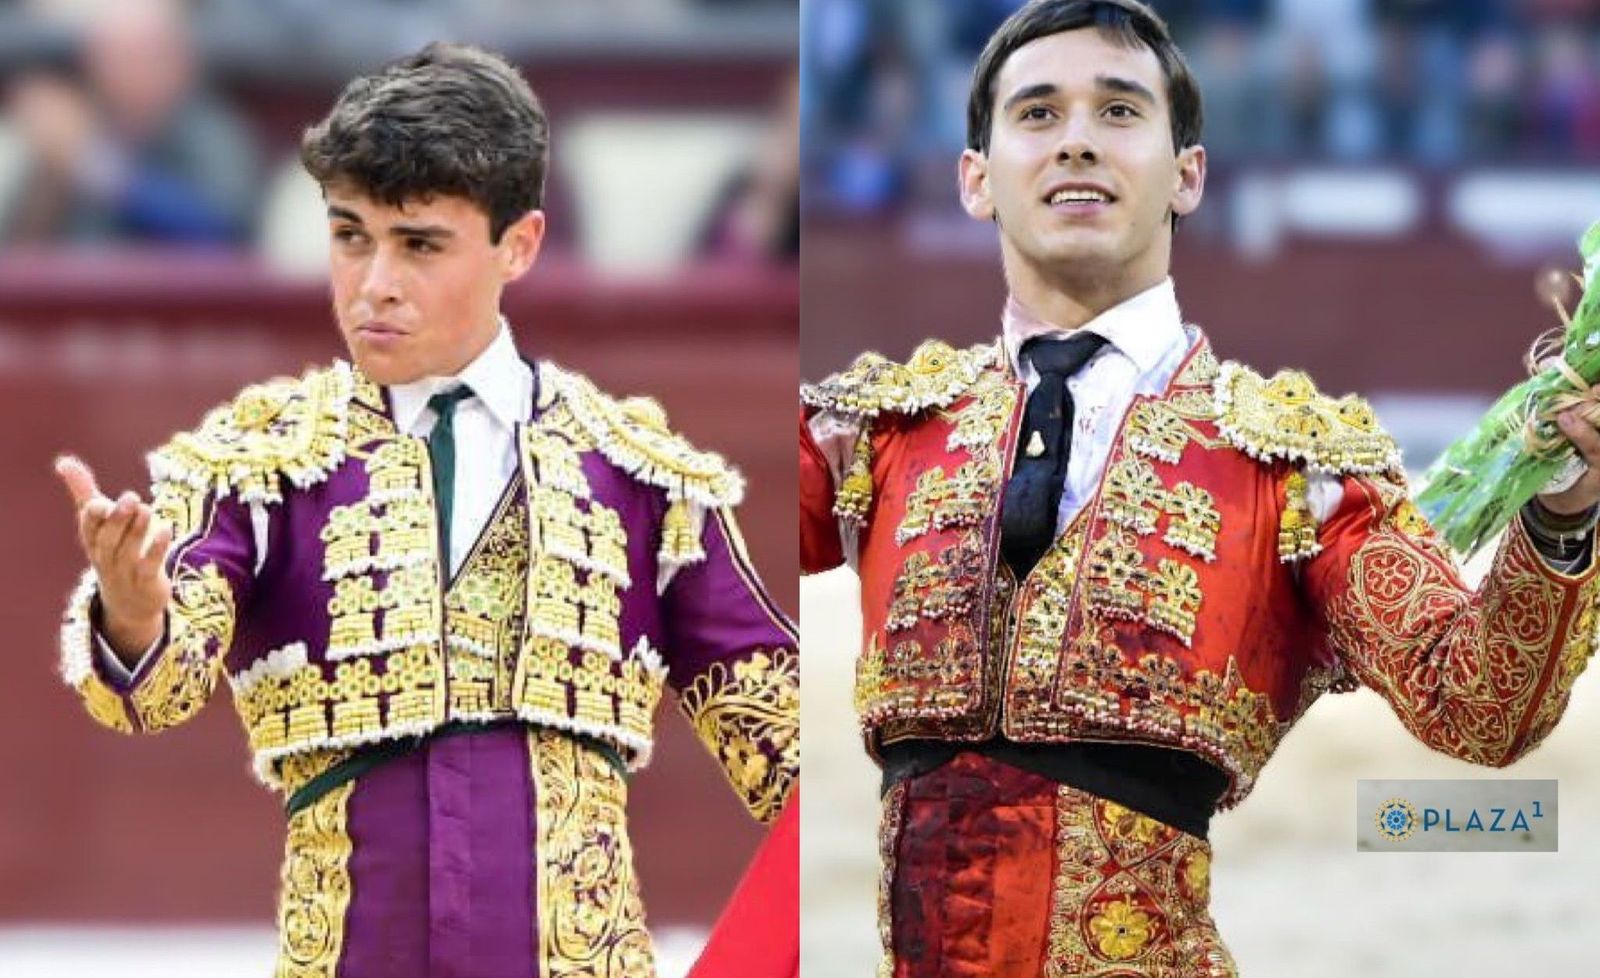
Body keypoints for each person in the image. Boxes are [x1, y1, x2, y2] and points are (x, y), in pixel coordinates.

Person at [798, 3, 1600, 975]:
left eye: (1121, 112)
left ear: (1188, 174)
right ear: (977, 178)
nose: (1079, 142)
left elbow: (1476, 703)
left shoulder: (1290, 461)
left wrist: (1563, 513)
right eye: (1039, 114)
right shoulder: (875, 430)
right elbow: (702, 541)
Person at [56, 42, 798, 978]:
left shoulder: (643, 481)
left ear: (518, 245)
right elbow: (154, 692)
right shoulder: (259, 469)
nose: (374, 285)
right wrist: (132, 611)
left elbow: (795, 764)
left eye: (418, 244)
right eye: (350, 235)